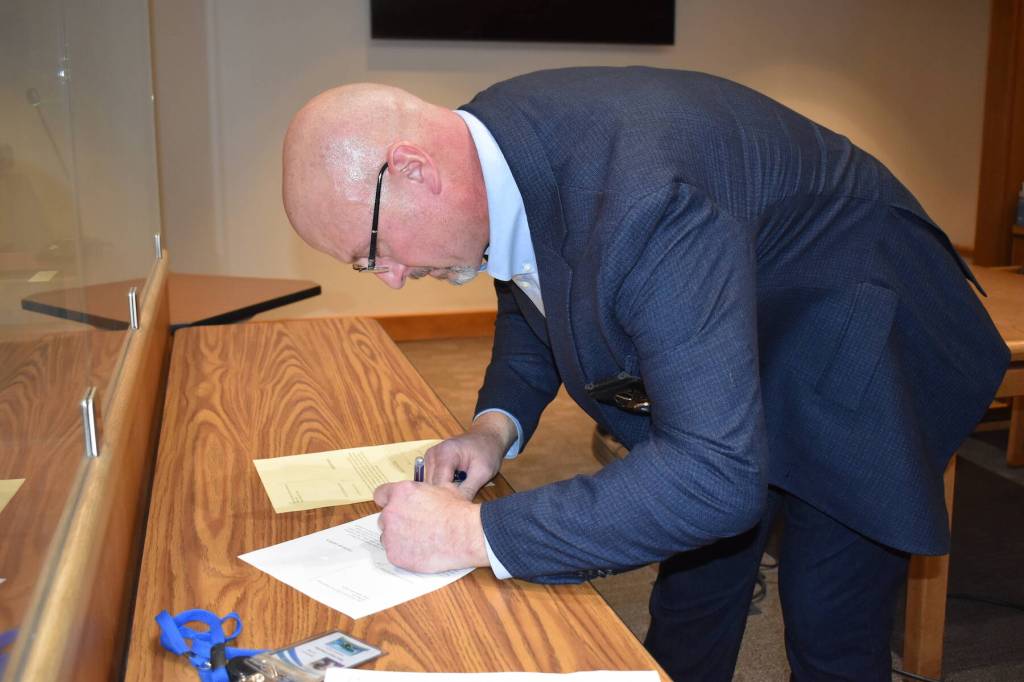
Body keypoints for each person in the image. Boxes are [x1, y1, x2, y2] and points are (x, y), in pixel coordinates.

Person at [281, 67, 1009, 681]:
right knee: (695, 586)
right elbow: (536, 285)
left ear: (412, 167)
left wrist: (475, 536)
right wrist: (491, 428)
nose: (392, 280)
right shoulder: (499, 148)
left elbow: (715, 478)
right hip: (751, 309)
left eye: (374, 251)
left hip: (863, 332)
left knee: (828, 616)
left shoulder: (642, 201)